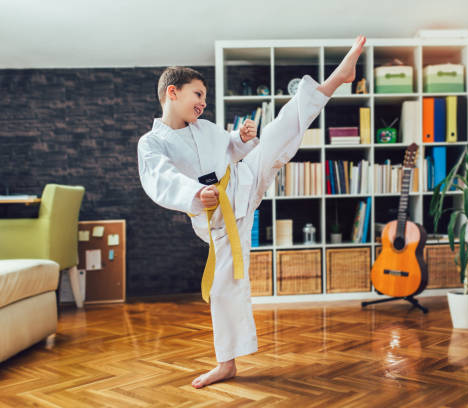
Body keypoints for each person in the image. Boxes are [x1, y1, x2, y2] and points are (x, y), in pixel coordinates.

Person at [137, 35, 367, 388]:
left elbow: (229, 147)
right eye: (198, 94)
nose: (203, 103)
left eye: (205, 97)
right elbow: (160, 177)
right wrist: (197, 192)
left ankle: (336, 79)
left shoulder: (205, 127)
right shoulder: (153, 142)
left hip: (242, 180)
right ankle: (226, 364)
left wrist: (242, 137)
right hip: (219, 219)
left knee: (275, 132)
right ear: (173, 92)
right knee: (224, 287)